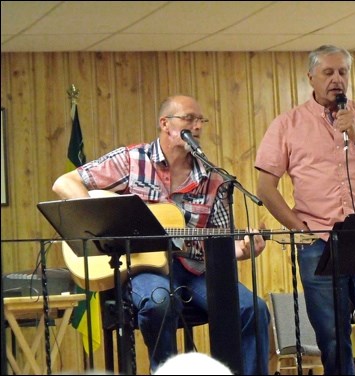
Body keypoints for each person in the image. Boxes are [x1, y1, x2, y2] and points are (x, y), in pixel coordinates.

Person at [53, 94, 270, 375]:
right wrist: (101, 223)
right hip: (141, 270)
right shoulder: (132, 160)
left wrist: (243, 251)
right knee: (159, 300)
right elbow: (65, 183)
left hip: (195, 271)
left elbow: (220, 244)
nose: (197, 126)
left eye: (200, 120)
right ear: (165, 124)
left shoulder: (213, 179)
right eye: (189, 119)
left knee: (253, 308)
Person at [254, 45, 355, 374]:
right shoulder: (287, 124)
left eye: (343, 72)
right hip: (319, 244)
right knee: (332, 338)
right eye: (328, 72)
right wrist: (299, 228)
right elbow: (266, 188)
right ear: (311, 77)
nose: (337, 79)